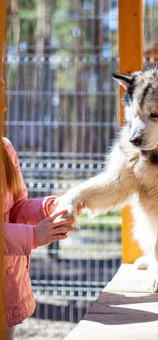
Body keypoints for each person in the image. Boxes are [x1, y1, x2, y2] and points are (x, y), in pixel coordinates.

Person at [0, 136, 75, 339]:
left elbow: (16, 207)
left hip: (8, 287)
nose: (4, 109)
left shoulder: (5, 147)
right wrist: (33, 236)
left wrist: (50, 207)